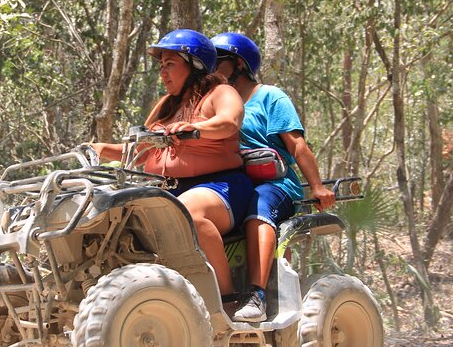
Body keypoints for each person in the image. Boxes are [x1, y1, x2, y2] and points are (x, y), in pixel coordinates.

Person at [91, 29, 253, 298]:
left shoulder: (221, 92)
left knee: (186, 213)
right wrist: (100, 149)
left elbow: (229, 122)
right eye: (161, 66)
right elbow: (139, 150)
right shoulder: (166, 106)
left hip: (220, 185)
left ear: (195, 65)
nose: (162, 73)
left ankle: (227, 298)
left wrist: (196, 128)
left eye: (170, 64)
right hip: (166, 190)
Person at [211, 32, 336, 322]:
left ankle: (257, 294)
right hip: (231, 186)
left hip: (273, 185)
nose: (211, 68)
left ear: (240, 65)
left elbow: (297, 145)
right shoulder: (214, 103)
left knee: (259, 206)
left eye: (219, 61)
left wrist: (316, 186)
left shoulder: (270, 97)